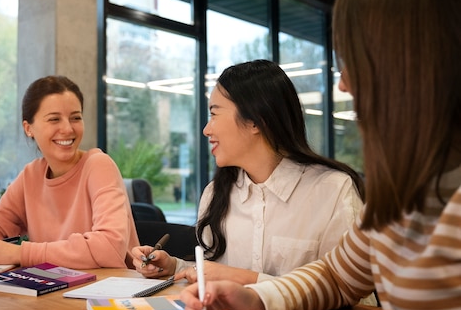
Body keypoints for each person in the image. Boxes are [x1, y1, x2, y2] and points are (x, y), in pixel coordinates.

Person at [181, 0, 461, 310]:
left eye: (354, 61)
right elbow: (336, 275)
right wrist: (257, 300)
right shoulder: (405, 195)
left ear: (411, 64)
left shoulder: (337, 189)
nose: (344, 84)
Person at [131, 60, 366, 288]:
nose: (206, 129)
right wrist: (173, 266)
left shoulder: (333, 190)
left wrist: (244, 279)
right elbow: (216, 271)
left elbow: (352, 293)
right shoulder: (216, 193)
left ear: (255, 120)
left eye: (214, 114)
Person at [0, 75, 140, 269]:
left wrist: (21, 253)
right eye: (54, 119)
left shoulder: (99, 166)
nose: (68, 128)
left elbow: (109, 247)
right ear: (29, 128)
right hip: (53, 292)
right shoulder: (31, 175)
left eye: (75, 118)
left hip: (107, 294)